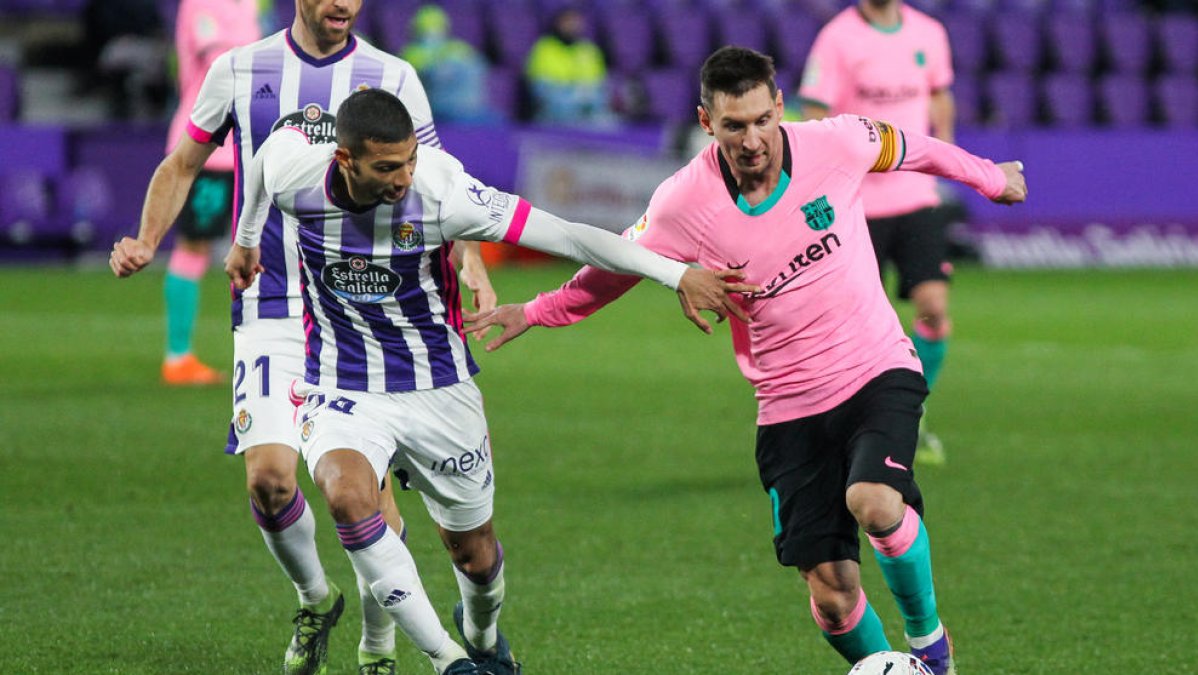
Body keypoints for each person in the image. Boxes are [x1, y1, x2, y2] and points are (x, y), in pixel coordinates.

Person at [465, 47, 1027, 675]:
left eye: (762, 119)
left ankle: (931, 650)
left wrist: (987, 175)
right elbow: (615, 266)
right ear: (708, 122)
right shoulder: (683, 203)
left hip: (875, 367)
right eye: (735, 126)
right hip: (787, 403)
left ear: (779, 106)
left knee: (876, 501)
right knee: (834, 598)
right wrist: (536, 310)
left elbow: (906, 145)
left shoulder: (834, 142)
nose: (753, 139)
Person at [223, 88, 756, 675]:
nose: (402, 177)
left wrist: (675, 273)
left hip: (439, 391)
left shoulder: (442, 193)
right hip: (343, 385)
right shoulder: (297, 170)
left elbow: (575, 236)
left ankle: (481, 635)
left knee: (474, 556)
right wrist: (247, 240)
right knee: (349, 499)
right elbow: (264, 162)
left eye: (408, 161)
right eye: (386, 167)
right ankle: (447, 660)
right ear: (344, 161)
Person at [109, 1, 496, 673]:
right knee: (268, 480)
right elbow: (182, 163)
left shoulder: (393, 75)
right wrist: (147, 239)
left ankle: (379, 646)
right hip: (270, 304)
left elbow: (438, 184)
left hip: (361, 310)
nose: (343, 3)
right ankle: (316, 598)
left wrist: (472, 262)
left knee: (363, 491)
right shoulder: (240, 69)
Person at [798, 0, 957, 465]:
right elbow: (814, 113)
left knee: (933, 306)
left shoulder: (929, 33)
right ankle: (833, 425)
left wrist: (943, 150)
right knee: (850, 327)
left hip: (917, 195)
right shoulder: (837, 38)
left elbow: (939, 93)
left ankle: (911, 413)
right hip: (856, 202)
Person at [159, 0, 260, 386]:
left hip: (247, 145)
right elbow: (222, 60)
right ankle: (178, 356)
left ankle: (267, 355)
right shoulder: (202, 2)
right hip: (208, 145)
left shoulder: (249, 4)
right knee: (194, 245)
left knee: (265, 248)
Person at [402, 4, 499, 125]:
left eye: (437, 28)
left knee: (497, 120)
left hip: (471, 108)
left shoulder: (457, 46)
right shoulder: (412, 53)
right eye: (430, 29)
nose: (433, 33)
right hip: (438, 108)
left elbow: (480, 68)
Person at [524, 7, 615, 126]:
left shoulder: (589, 50)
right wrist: (573, 97)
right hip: (555, 114)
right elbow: (541, 91)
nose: (572, 26)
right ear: (558, 24)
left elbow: (601, 89)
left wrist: (589, 99)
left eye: (576, 21)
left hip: (589, 113)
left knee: (610, 122)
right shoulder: (544, 49)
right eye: (567, 21)